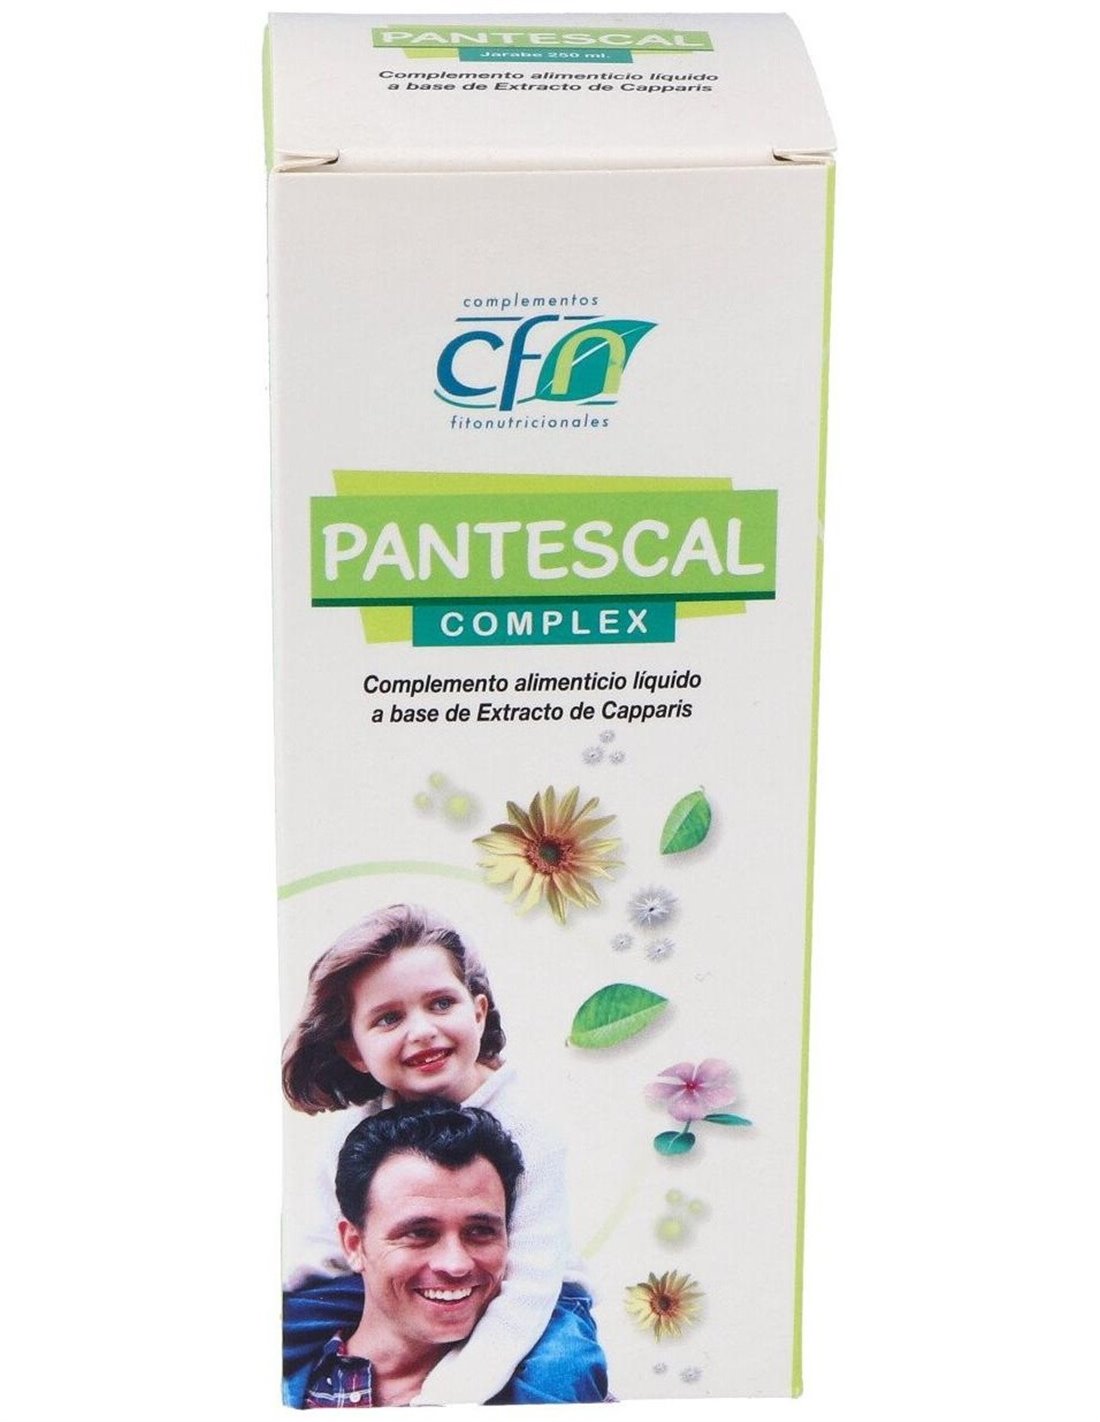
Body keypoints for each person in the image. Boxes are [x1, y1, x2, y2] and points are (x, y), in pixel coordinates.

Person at [282, 904, 601, 1404]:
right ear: (355, 1051)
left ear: (478, 1012)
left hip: (534, 1291)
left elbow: (529, 1286)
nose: (422, 1031)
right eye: (389, 1018)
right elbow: (321, 1253)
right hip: (375, 1285)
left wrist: (446, 1398)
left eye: (440, 1004)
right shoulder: (352, 1133)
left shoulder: (530, 1131)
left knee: (561, 1369)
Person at [283, 1102, 607, 1407]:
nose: (456, 1264)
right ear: (354, 1244)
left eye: (480, 1231)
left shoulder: (563, 1399)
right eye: (419, 1233)